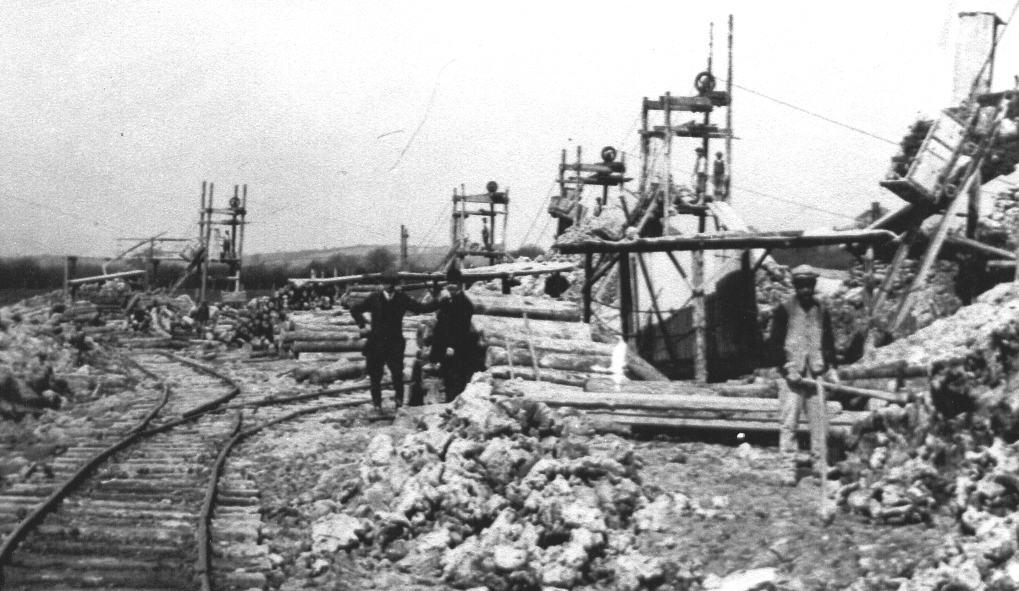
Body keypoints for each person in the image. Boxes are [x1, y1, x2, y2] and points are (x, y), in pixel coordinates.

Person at [770, 265, 837, 486]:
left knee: (819, 424)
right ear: (795, 286)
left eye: (810, 286)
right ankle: (788, 469)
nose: (806, 290)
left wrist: (831, 367)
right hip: (792, 376)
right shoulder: (784, 310)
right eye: (802, 286)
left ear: (814, 286)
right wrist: (787, 367)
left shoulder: (822, 310)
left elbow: (829, 342)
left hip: (815, 374)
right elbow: (773, 345)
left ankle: (820, 467)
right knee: (789, 423)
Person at [350, 269, 439, 412]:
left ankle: (399, 404)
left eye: (392, 284)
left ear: (395, 284)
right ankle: (377, 405)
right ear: (382, 284)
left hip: (394, 344)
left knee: (397, 375)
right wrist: (362, 325)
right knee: (375, 377)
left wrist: (439, 301)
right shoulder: (374, 298)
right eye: (386, 284)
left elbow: (421, 308)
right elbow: (354, 309)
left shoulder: (401, 298)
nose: (389, 287)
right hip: (376, 343)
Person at [429, 267, 477, 403]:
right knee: (447, 378)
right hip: (443, 347)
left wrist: (453, 346)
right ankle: (449, 405)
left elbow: (463, 330)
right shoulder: (446, 301)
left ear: (460, 285)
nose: (451, 286)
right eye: (449, 282)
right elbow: (440, 325)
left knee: (456, 380)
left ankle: (453, 405)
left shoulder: (465, 304)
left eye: (454, 283)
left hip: (457, 349)